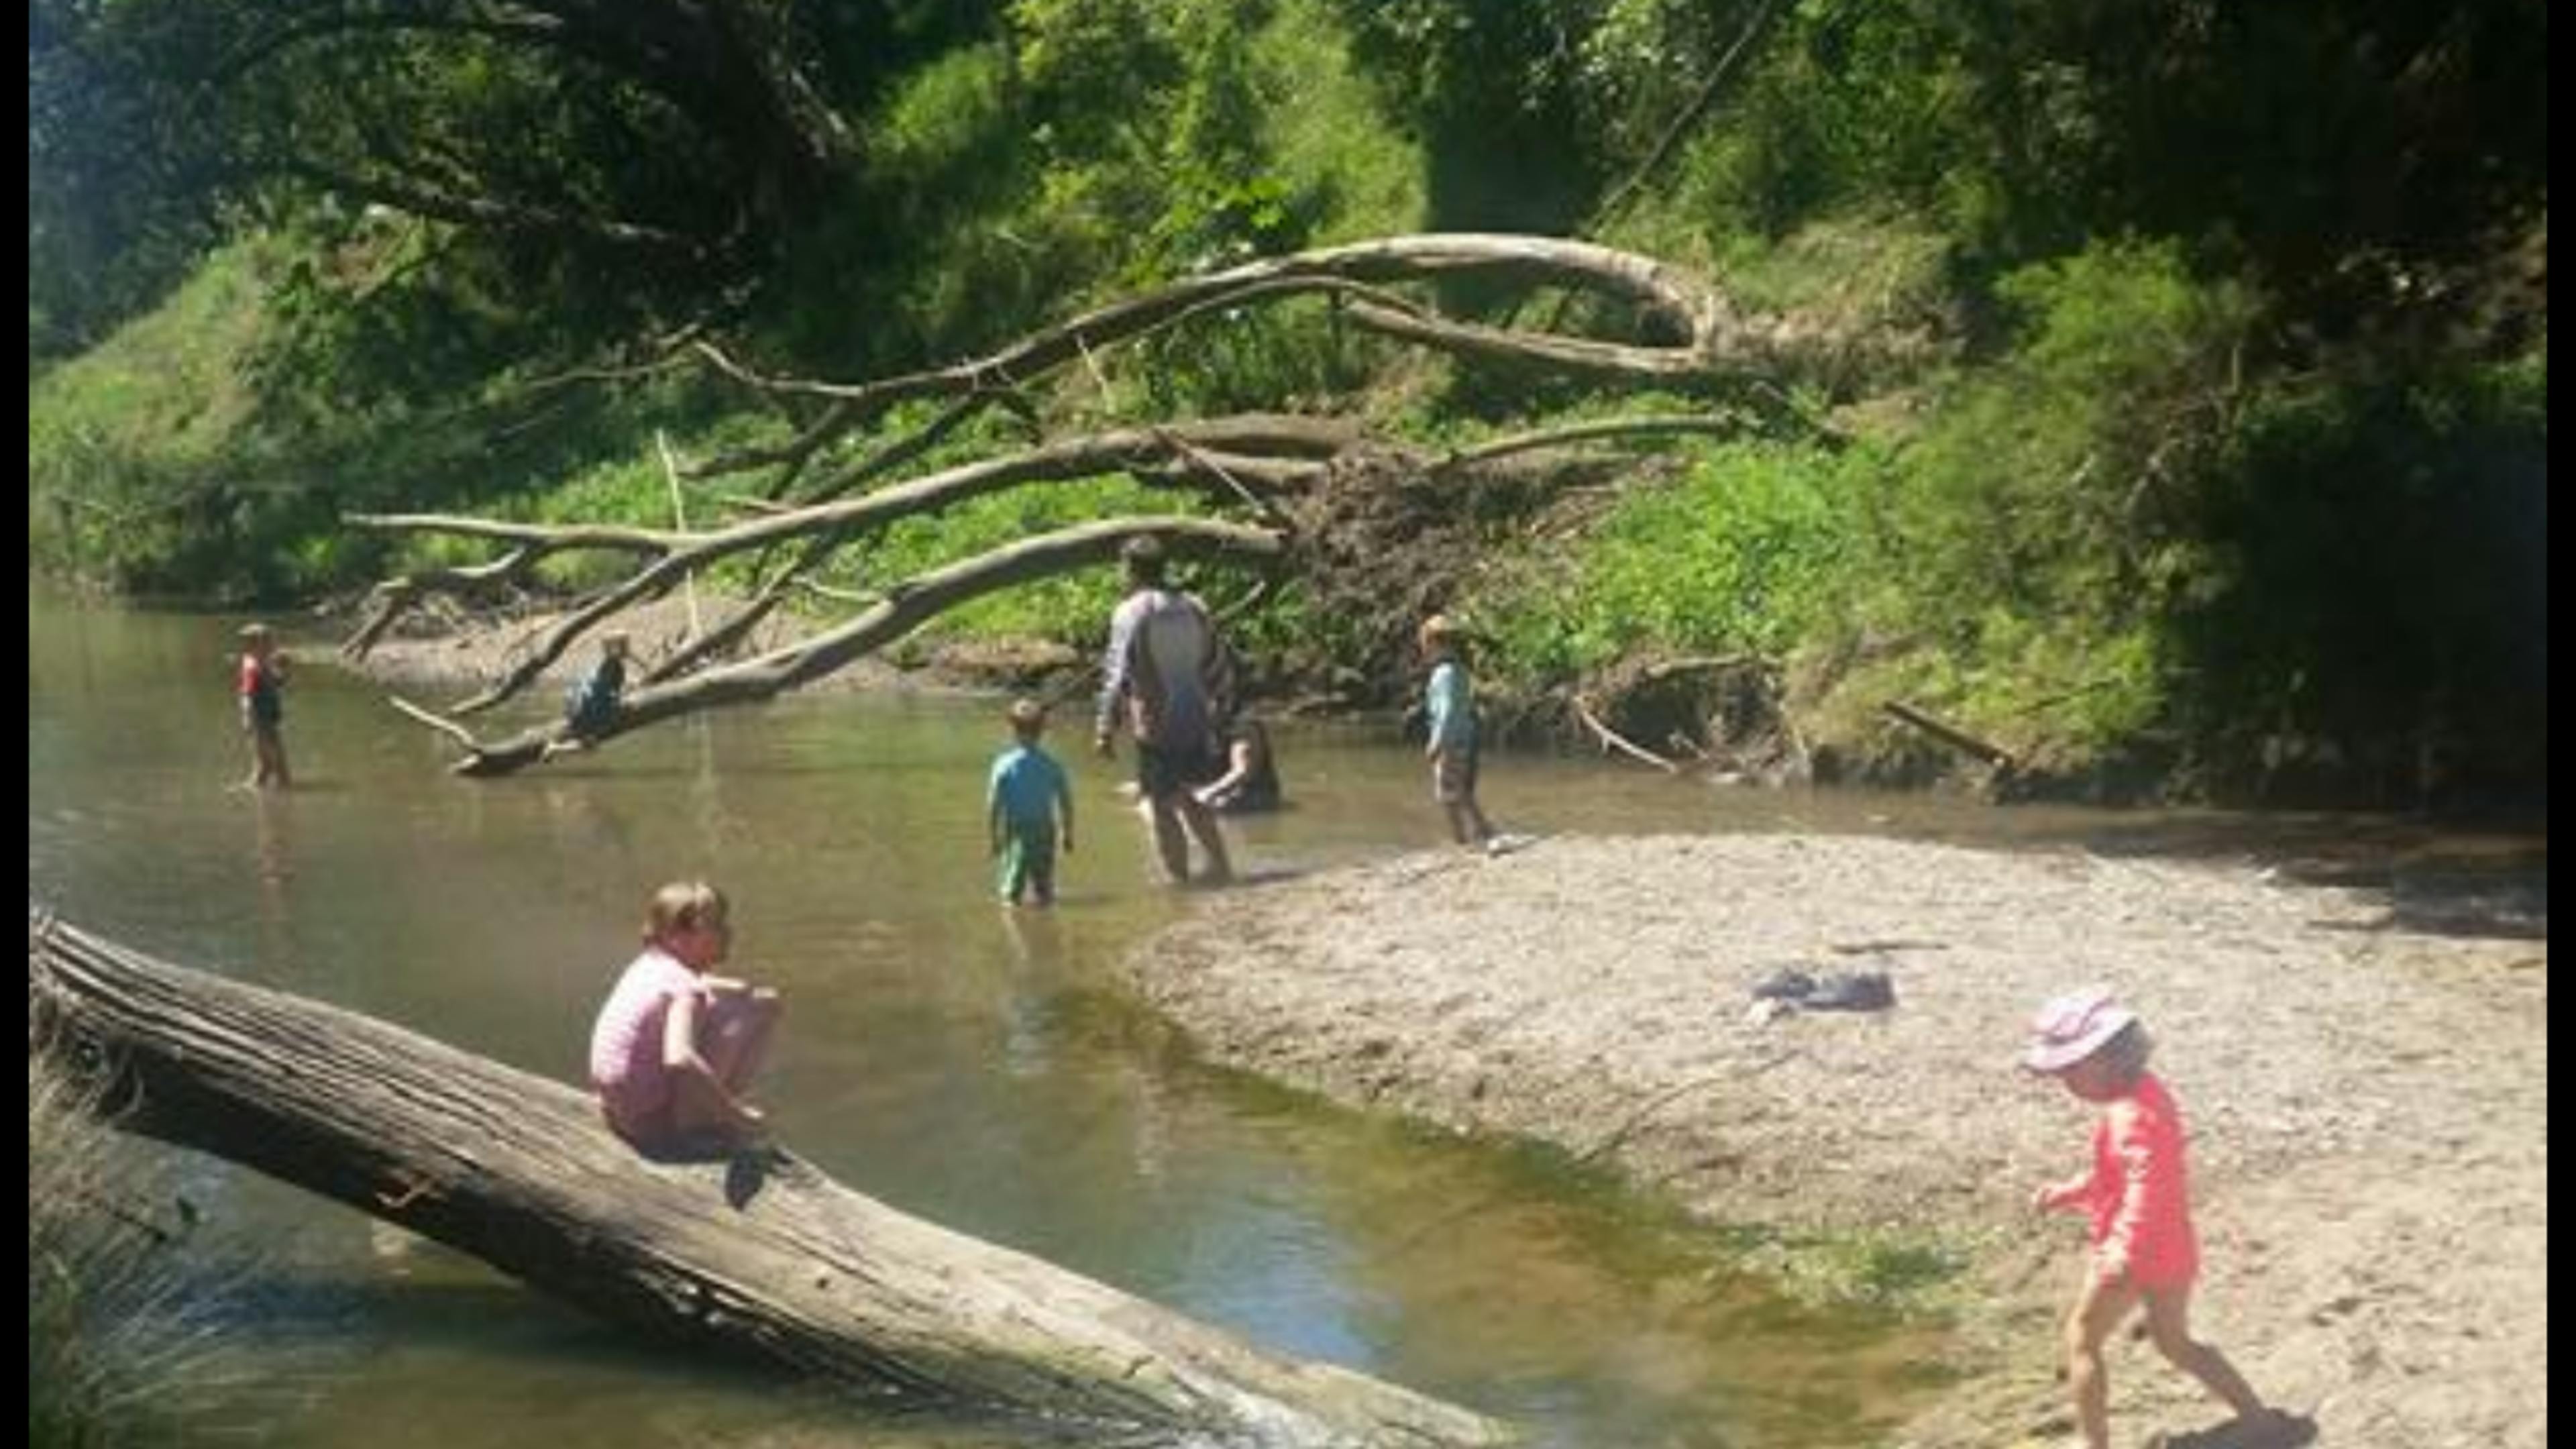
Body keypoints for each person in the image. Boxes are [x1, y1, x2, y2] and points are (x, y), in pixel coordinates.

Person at [2024, 987, 2313, 1449]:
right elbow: (2120, 1175)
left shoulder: (2127, 1116)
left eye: (2069, 1070)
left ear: (2103, 1061)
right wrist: (2068, 1193)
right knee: (2176, 1343)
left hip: (2135, 1251)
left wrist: (2122, 1249)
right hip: (2173, 1248)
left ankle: (2092, 1444)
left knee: (2081, 1338)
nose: (2065, 1083)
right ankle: (2258, 1419)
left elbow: (2144, 1188)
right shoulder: (2150, 1093)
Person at [588, 882, 782, 1157]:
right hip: (652, 1126)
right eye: (714, 926)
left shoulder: (648, 965)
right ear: (675, 936)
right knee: (756, 1012)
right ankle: (713, 1122)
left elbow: (696, 987)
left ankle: (708, 1111)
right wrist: (739, 1117)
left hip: (618, 1107)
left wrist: (737, 989)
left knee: (752, 1001)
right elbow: (679, 1059)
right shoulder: (686, 989)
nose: (728, 933)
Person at [1094, 535, 1234, 885]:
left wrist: (1104, 727)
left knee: (1161, 804)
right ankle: (1221, 866)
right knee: (1190, 794)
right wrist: (1222, 710)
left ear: (1130, 569)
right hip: (1196, 716)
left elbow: (1115, 672)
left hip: (1155, 722)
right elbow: (1217, 662)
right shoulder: (1194, 605)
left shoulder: (1130, 612)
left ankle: (1179, 880)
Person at [988, 697, 1075, 906]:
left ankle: (1013, 927)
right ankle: (1046, 917)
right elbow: (1066, 801)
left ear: (1012, 731)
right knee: (1044, 884)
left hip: (1017, 829)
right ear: (1042, 732)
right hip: (1046, 829)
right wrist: (1067, 833)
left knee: (1012, 888)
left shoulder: (1003, 765)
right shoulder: (1052, 765)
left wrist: (993, 836)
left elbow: (993, 804)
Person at [1419, 614, 1496, 849]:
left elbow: (1447, 712)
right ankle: (1483, 833)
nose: (1424, 651)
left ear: (1436, 644)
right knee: (1462, 792)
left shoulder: (1444, 674)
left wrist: (1437, 742)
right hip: (1465, 738)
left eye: (1425, 645)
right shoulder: (1460, 670)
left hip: (1452, 742)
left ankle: (1462, 839)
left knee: (1448, 794)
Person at [235, 623, 291, 790]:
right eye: (267, 641)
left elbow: (277, 683)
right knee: (265, 765)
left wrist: (284, 669)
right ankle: (254, 795)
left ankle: (281, 799)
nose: (273, 645)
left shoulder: (263, 662)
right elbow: (247, 696)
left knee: (281, 765)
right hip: (258, 719)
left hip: (269, 718)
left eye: (271, 641)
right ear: (255, 645)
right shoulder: (252, 666)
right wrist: (249, 720)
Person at [1193, 716, 1282, 814]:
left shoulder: (1245, 727)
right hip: (1224, 790)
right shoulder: (1201, 727)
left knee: (1216, 808)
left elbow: (1241, 771)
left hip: (1255, 795)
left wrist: (1206, 793)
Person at [562, 631, 630, 742]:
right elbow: (602, 691)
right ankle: (555, 748)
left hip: (580, 706)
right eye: (624, 644)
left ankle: (557, 747)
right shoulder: (614, 666)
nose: (627, 647)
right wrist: (617, 703)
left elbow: (600, 686)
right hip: (589, 712)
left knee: (589, 745)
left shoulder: (607, 663)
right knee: (591, 742)